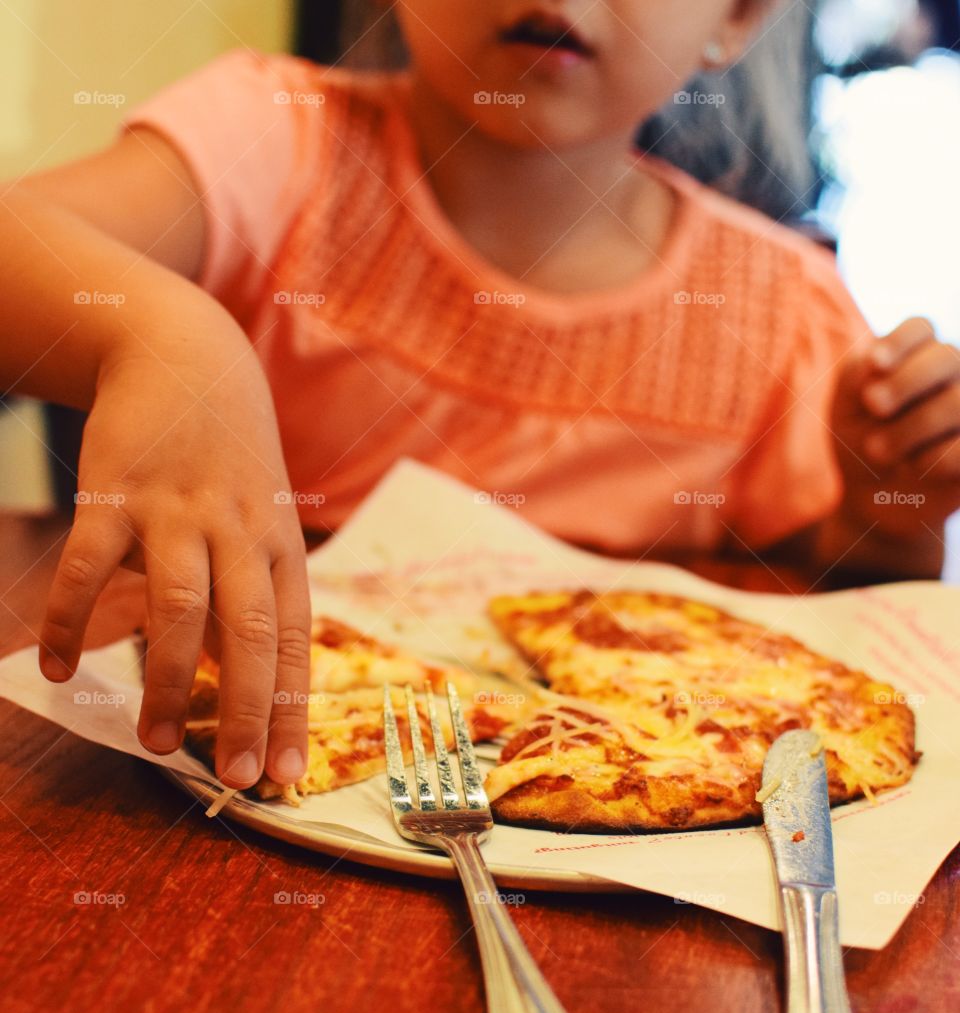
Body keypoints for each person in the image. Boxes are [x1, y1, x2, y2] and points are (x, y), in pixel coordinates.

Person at [1, 0, 958, 794]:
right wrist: (166, 337)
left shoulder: (780, 309)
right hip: (219, 791)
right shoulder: (274, 138)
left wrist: (889, 505)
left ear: (737, 16)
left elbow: (846, 592)